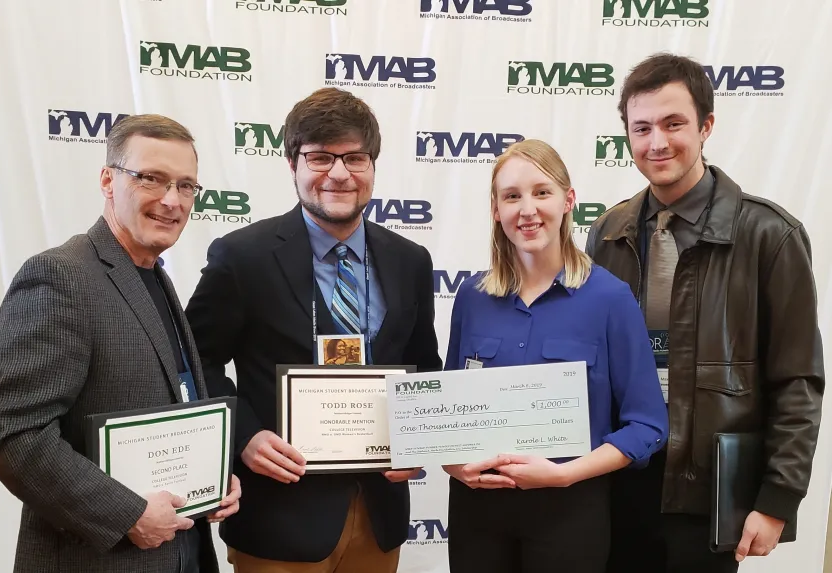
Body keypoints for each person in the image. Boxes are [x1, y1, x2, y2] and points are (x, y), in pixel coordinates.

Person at [184, 87, 443, 573]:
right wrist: (244, 436)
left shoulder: (411, 261)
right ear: (292, 164)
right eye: (321, 157)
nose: (339, 174)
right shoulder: (243, 256)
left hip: (379, 517)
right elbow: (193, 361)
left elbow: (424, 367)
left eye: (354, 158)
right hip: (277, 517)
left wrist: (421, 439)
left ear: (373, 165)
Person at [585, 53, 825, 573]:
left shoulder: (769, 235)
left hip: (707, 492)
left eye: (674, 124)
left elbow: (798, 379)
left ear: (707, 125)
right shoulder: (607, 234)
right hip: (617, 482)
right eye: (641, 127)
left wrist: (778, 497)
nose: (657, 142)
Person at [0, 114, 241, 573]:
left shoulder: (154, 277)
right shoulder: (60, 277)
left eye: (186, 186)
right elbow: (12, 433)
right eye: (152, 179)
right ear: (108, 180)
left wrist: (209, 479)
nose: (172, 201)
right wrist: (126, 515)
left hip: (181, 554)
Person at [442, 139, 669, 573]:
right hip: (478, 513)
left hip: (570, 511)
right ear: (495, 210)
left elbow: (648, 425)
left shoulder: (609, 299)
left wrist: (565, 474)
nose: (527, 209)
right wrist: (453, 463)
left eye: (541, 192)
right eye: (512, 196)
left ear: (568, 201)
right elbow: (450, 409)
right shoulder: (471, 297)